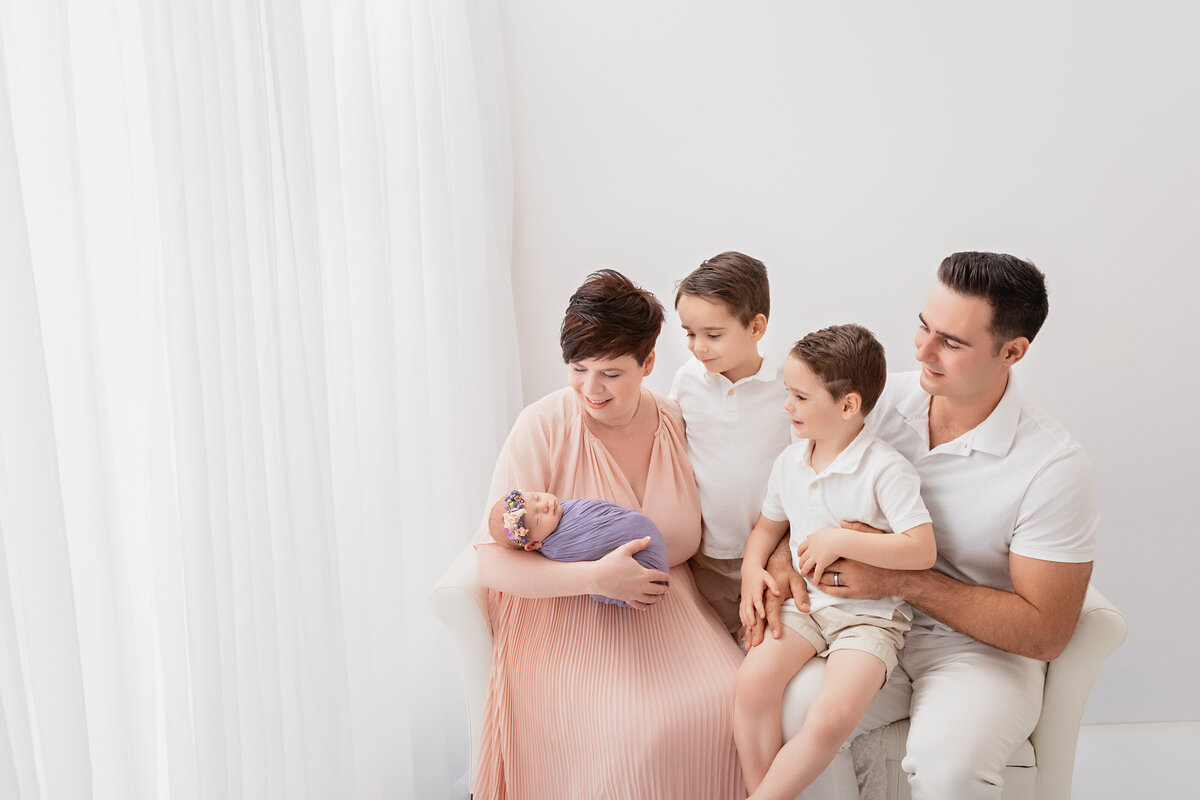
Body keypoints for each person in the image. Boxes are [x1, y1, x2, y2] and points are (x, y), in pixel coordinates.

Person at [752, 252, 1099, 799]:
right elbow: (798, 488)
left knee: (948, 768)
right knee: (790, 713)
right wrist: (777, 562)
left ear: (1012, 352)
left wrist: (899, 579)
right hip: (858, 620)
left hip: (977, 649)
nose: (922, 351)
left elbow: (1046, 632)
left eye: (951, 342)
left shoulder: (1053, 467)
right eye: (923, 326)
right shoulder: (874, 401)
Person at [474, 269, 746, 799]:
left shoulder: (675, 419)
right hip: (568, 617)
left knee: (729, 701)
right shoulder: (543, 425)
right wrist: (595, 577)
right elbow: (491, 561)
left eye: (612, 373)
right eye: (578, 369)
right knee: (638, 730)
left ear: (648, 363)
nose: (591, 389)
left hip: (671, 610)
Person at [735, 325, 936, 800]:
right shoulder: (789, 462)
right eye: (789, 393)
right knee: (752, 685)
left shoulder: (885, 469)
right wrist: (750, 573)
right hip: (805, 609)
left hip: (870, 619)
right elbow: (766, 529)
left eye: (801, 397)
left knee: (829, 718)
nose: (788, 406)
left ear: (848, 405)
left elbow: (921, 549)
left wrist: (841, 539)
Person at [669, 251, 793, 636]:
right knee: (715, 649)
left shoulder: (789, 385)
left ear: (756, 327)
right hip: (705, 558)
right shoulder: (687, 381)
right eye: (690, 333)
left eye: (713, 335)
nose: (698, 347)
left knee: (759, 640)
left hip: (772, 555)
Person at [486, 489, 668, 607]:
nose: (545, 504)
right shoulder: (557, 549)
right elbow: (592, 546)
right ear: (533, 544)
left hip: (645, 539)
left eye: (538, 498)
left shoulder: (567, 509)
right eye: (538, 517)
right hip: (642, 566)